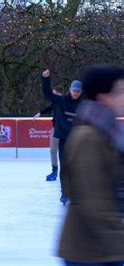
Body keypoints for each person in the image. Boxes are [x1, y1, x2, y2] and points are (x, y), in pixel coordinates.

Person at [58, 64, 124, 266]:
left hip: (105, 248)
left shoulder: (109, 131)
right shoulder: (88, 136)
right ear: (104, 96)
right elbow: (93, 201)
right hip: (87, 251)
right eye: (121, 91)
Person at [42, 70, 82, 205]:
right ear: (70, 90)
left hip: (78, 140)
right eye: (73, 90)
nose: (75, 93)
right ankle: (65, 193)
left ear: (80, 92)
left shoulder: (84, 104)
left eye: (78, 91)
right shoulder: (61, 100)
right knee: (65, 167)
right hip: (64, 140)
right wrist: (45, 79)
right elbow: (47, 94)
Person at [33, 86, 64, 181]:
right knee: (53, 150)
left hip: (65, 130)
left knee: (66, 153)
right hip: (55, 129)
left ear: (59, 93)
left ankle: (67, 172)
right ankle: (54, 171)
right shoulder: (55, 102)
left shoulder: (66, 102)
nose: (52, 95)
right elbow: (49, 108)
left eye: (54, 93)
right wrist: (40, 113)